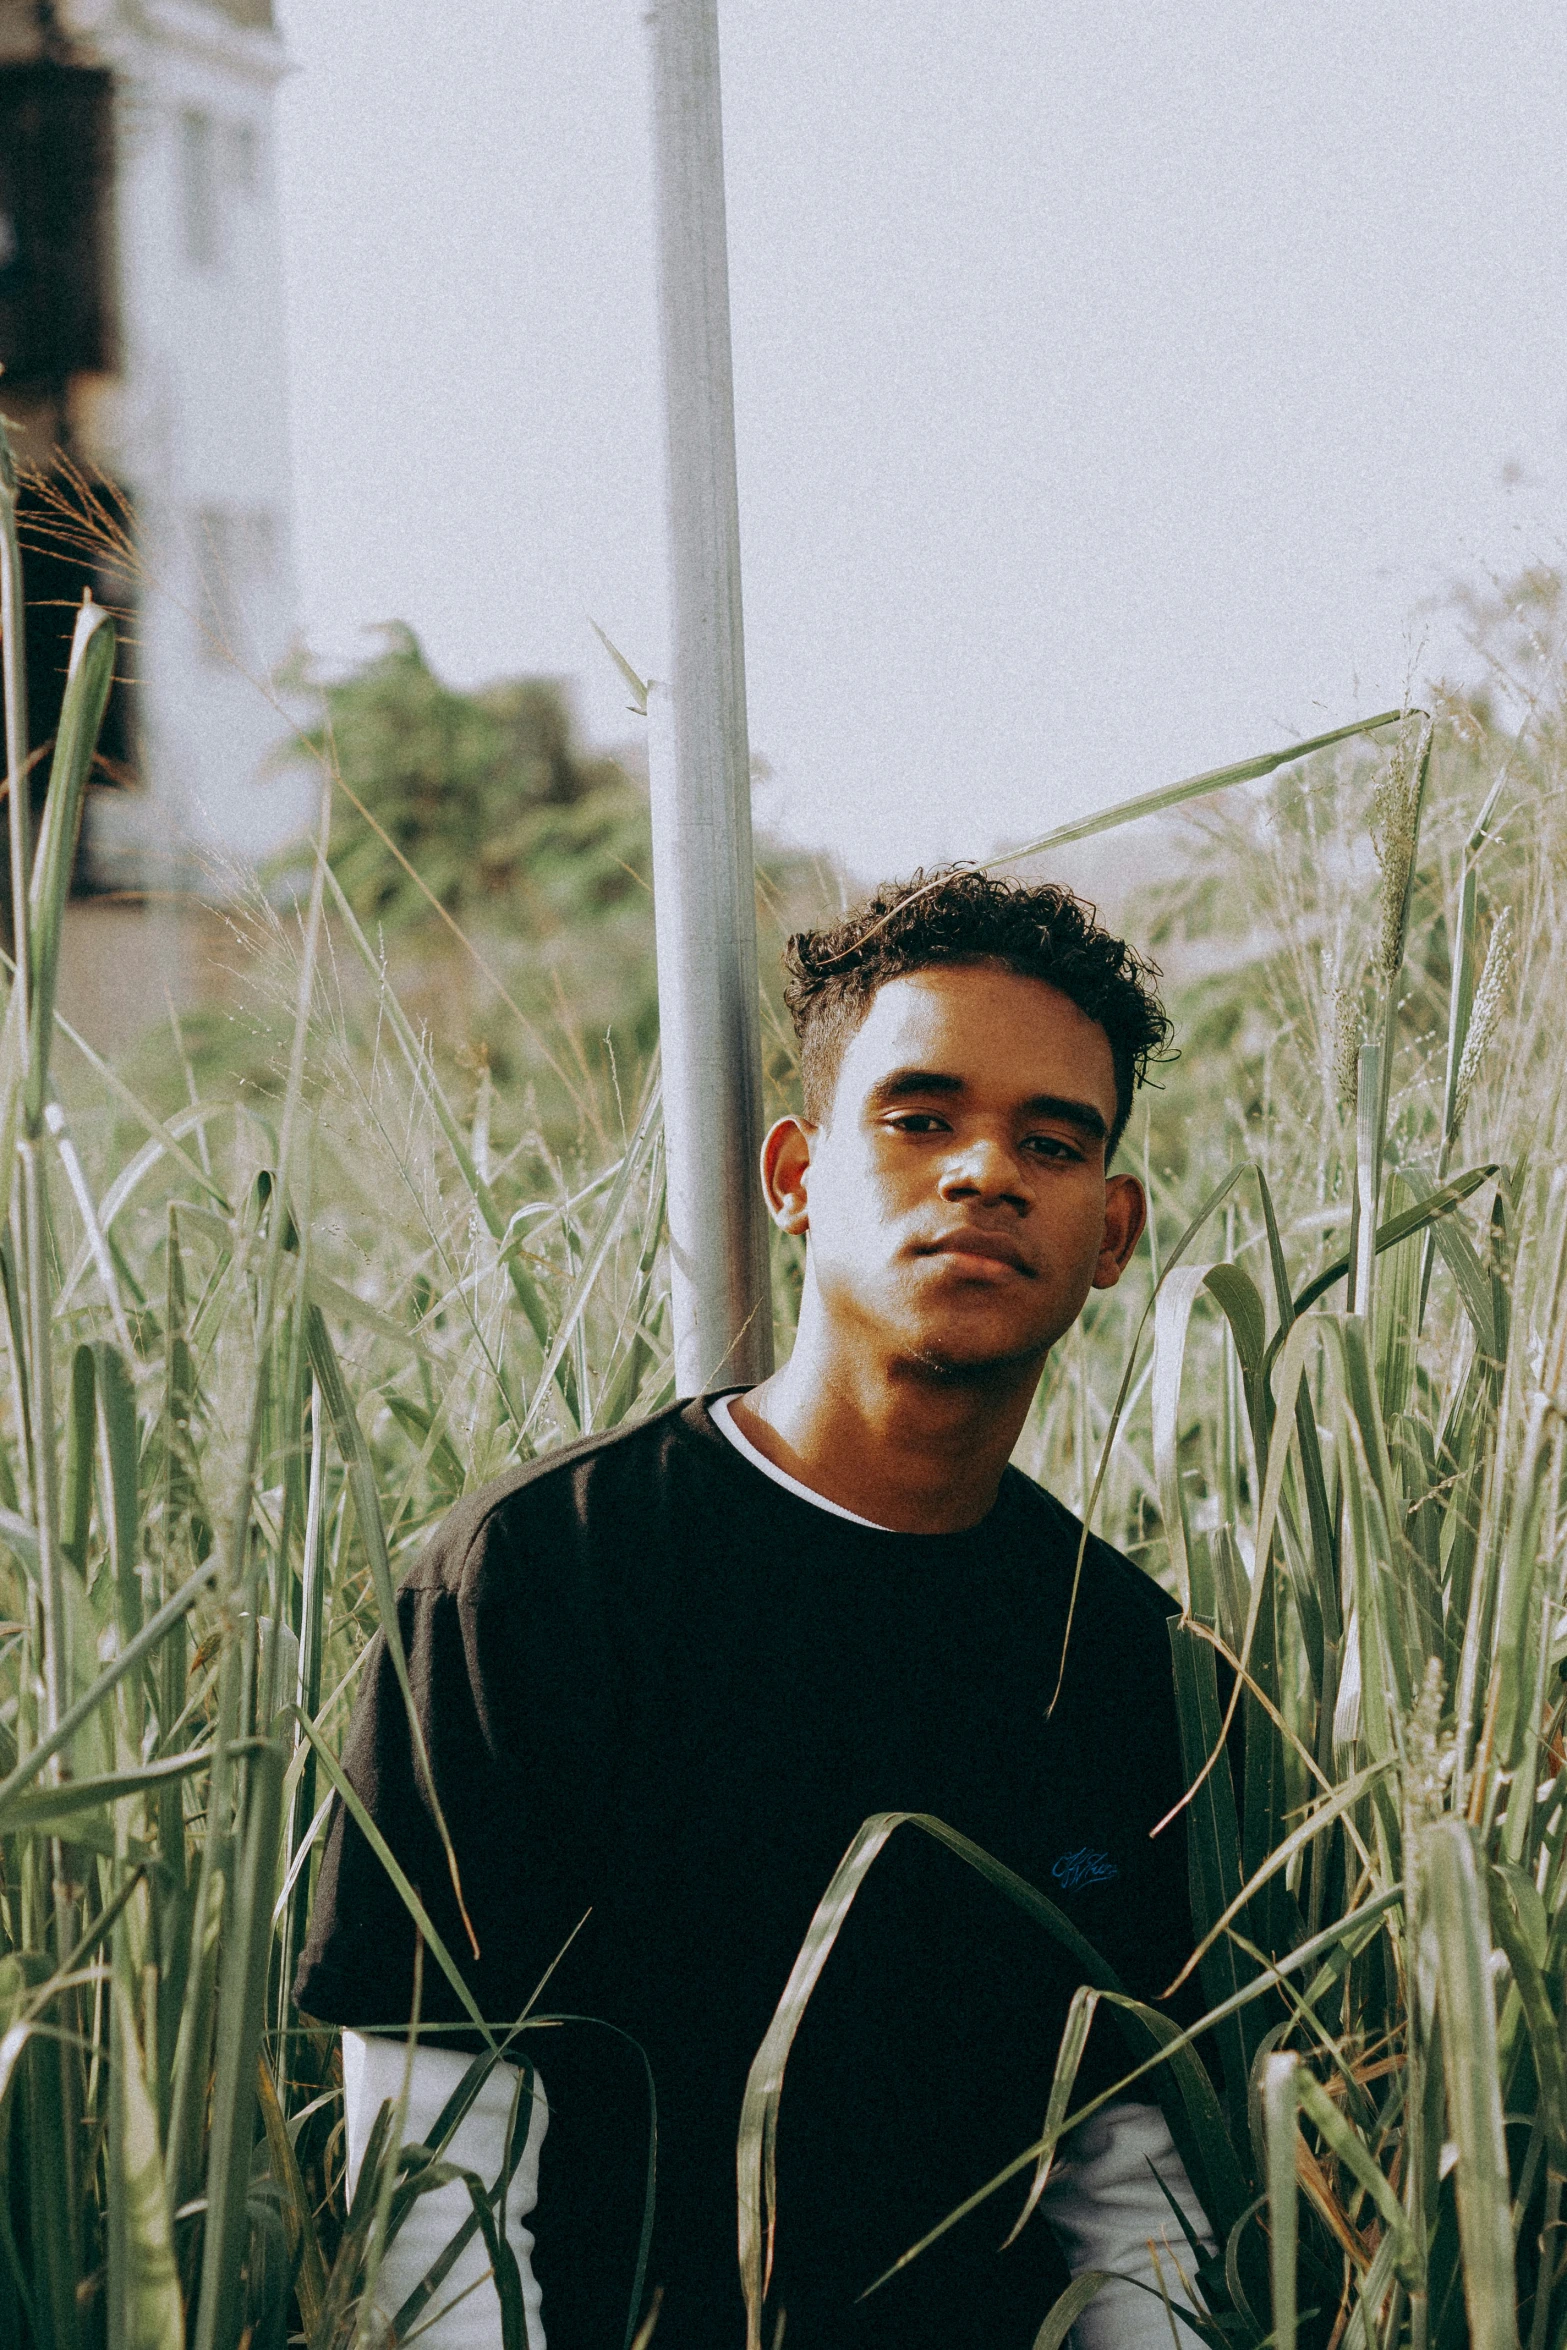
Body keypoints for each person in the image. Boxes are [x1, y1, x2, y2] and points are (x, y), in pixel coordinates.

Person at [296, 868, 1215, 2350]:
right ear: (794, 1173)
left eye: (1049, 1139)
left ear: (1109, 1232)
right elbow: (433, 2176)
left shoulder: (1112, 1649)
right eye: (919, 1118)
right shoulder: (539, 1580)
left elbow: (1129, 2190)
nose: (984, 1170)